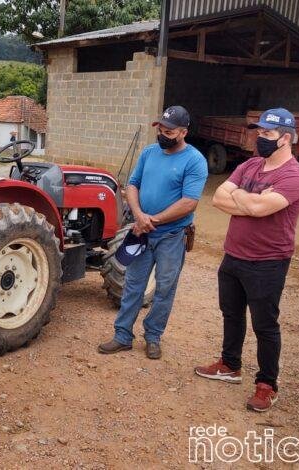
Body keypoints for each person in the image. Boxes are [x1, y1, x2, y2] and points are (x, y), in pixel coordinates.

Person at [194, 108, 299, 412]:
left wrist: (242, 197)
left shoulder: (295, 176)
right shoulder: (250, 164)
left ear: (286, 139)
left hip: (268, 261)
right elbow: (218, 198)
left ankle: (267, 384)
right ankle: (230, 365)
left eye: (267, 133)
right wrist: (252, 199)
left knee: (265, 325)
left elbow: (259, 209)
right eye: (259, 132)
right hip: (234, 254)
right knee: (231, 313)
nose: (260, 138)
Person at [98, 105, 208, 359]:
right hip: (141, 232)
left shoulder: (194, 161)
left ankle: (153, 337)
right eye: (160, 129)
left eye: (169, 132)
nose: (162, 135)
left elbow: (189, 202)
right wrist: (139, 215)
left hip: (172, 236)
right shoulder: (149, 153)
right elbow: (132, 185)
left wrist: (153, 220)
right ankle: (122, 335)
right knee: (133, 285)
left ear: (183, 132)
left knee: (165, 288)